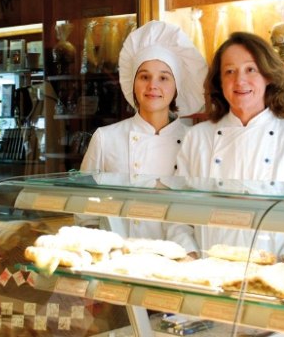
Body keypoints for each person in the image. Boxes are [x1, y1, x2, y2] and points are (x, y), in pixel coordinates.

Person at [176, 31, 284, 267]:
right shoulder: (197, 138)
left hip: (275, 281)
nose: (240, 81)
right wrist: (191, 259)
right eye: (230, 71)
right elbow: (177, 212)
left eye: (251, 69)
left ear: (268, 76)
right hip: (209, 276)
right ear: (219, 81)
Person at [80, 20, 207, 244]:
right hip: (118, 261)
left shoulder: (194, 141)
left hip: (178, 260)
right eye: (144, 76)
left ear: (177, 86)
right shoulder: (105, 138)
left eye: (164, 77)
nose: (152, 86)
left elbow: (199, 210)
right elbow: (84, 211)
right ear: (133, 83)